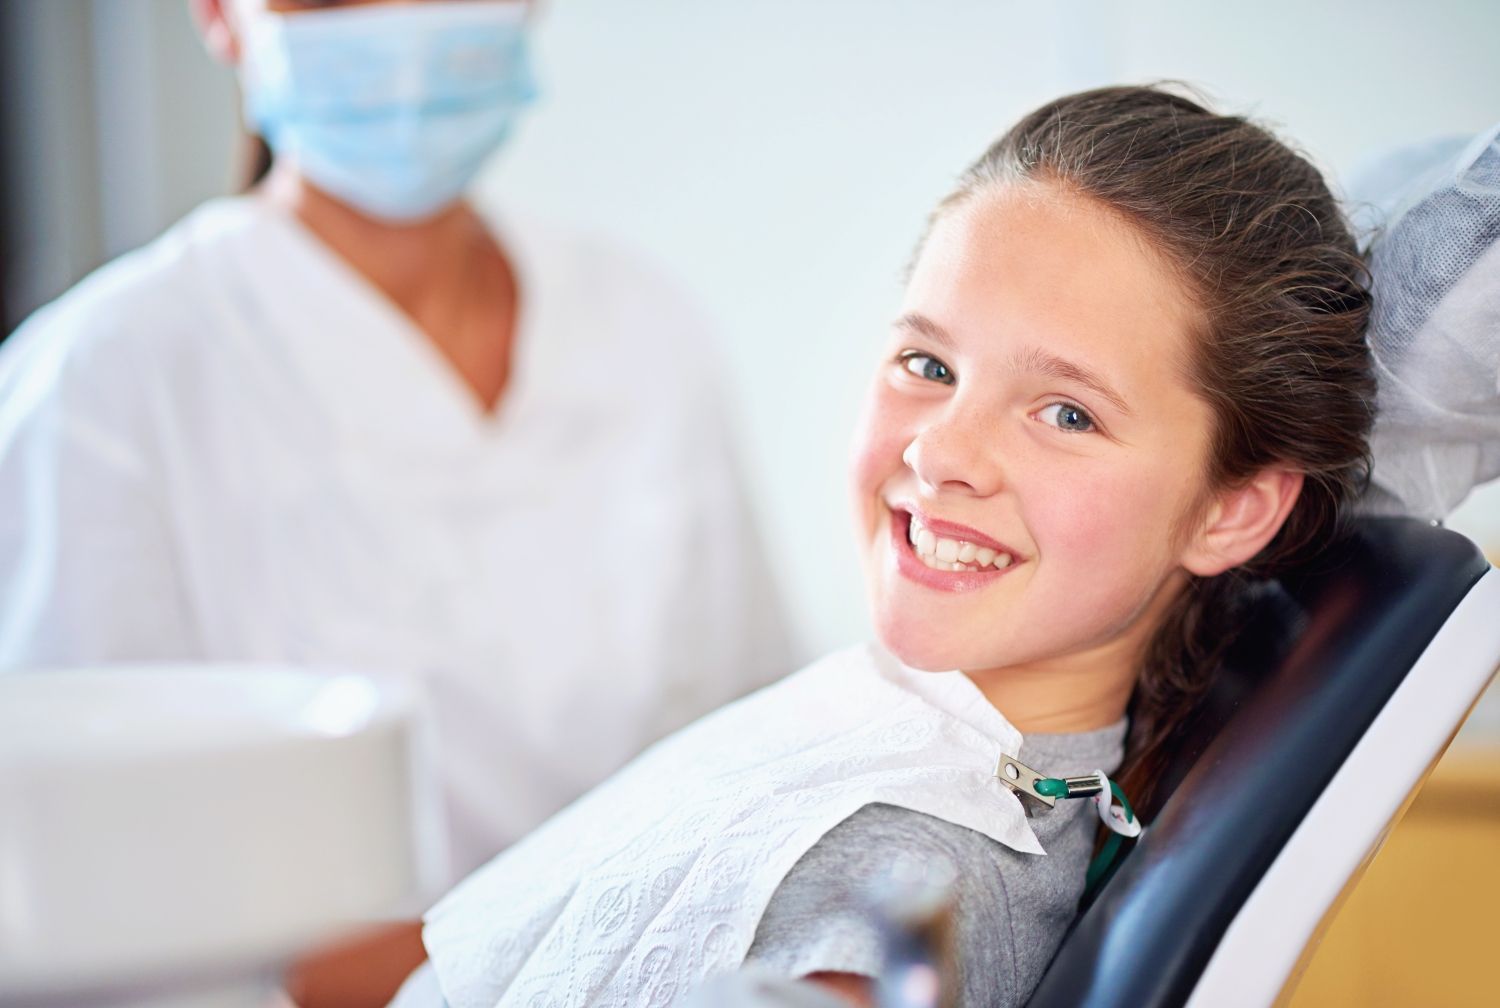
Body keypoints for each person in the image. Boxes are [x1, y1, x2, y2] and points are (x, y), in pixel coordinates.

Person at [392, 85, 1376, 1008]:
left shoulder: (922, 878)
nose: (941, 448)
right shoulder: (880, 726)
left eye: (1068, 413)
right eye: (929, 362)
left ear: (1233, 511)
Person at [0, 0, 789, 1001]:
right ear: (218, 16)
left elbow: (758, 746)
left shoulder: (643, 324)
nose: (402, 21)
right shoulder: (96, 386)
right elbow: (78, 903)